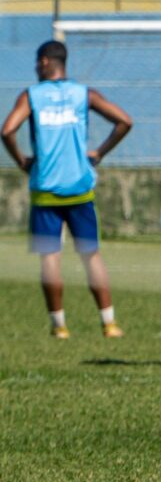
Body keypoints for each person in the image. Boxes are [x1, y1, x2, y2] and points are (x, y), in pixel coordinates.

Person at [2, 40, 132, 339]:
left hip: (46, 188)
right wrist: (99, 153)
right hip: (79, 187)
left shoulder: (32, 96)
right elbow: (124, 121)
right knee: (92, 255)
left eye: (38, 62)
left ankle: (59, 326)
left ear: (46, 61)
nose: (36, 67)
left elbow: (7, 129)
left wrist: (21, 160)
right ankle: (109, 323)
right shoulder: (83, 94)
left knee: (50, 258)